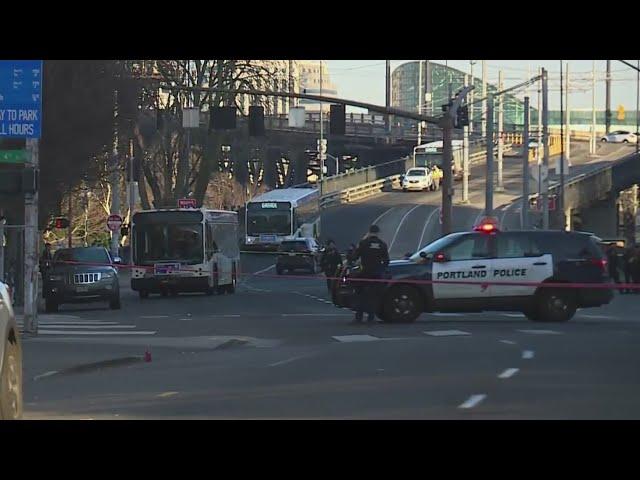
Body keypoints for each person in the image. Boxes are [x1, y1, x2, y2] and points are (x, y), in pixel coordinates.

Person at [351, 225, 389, 324]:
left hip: (364, 272)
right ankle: (371, 317)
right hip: (376, 273)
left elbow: (355, 257)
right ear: (378, 233)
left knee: (360, 295)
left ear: (369, 232)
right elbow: (386, 261)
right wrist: (381, 269)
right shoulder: (382, 244)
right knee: (373, 296)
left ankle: (358, 317)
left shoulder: (364, 243)